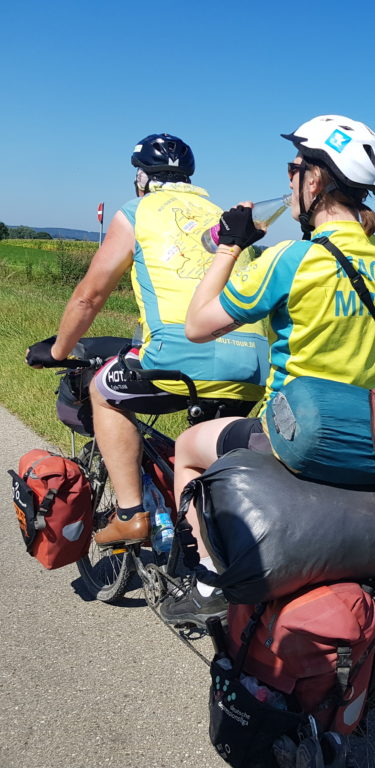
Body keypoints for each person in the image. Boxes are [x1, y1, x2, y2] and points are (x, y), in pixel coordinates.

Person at [161, 115, 375, 624]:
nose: (289, 179)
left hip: (290, 432)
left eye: (294, 167)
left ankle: (210, 581)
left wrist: (231, 245)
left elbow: (197, 324)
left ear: (314, 181)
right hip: (364, 435)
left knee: (187, 451)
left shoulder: (293, 259)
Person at [25, 134, 269, 549]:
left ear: (140, 176)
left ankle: (130, 514)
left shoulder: (136, 211)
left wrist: (57, 350)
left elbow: (90, 294)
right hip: (252, 365)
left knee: (105, 391)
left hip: (178, 356)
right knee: (205, 452)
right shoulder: (221, 214)